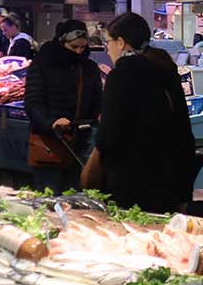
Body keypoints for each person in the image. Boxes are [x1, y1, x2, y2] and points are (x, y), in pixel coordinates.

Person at [81, 12, 196, 213]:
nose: (107, 50)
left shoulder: (122, 75)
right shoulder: (165, 67)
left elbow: (109, 134)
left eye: (108, 42)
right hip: (169, 177)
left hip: (130, 180)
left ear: (121, 42)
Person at [24, 20, 103, 192]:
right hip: (49, 145)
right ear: (61, 42)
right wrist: (51, 122)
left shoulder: (89, 68)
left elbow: (98, 101)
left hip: (82, 144)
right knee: (50, 201)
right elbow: (32, 102)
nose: (79, 51)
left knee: (78, 200)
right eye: (74, 47)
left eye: (82, 47)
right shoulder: (41, 65)